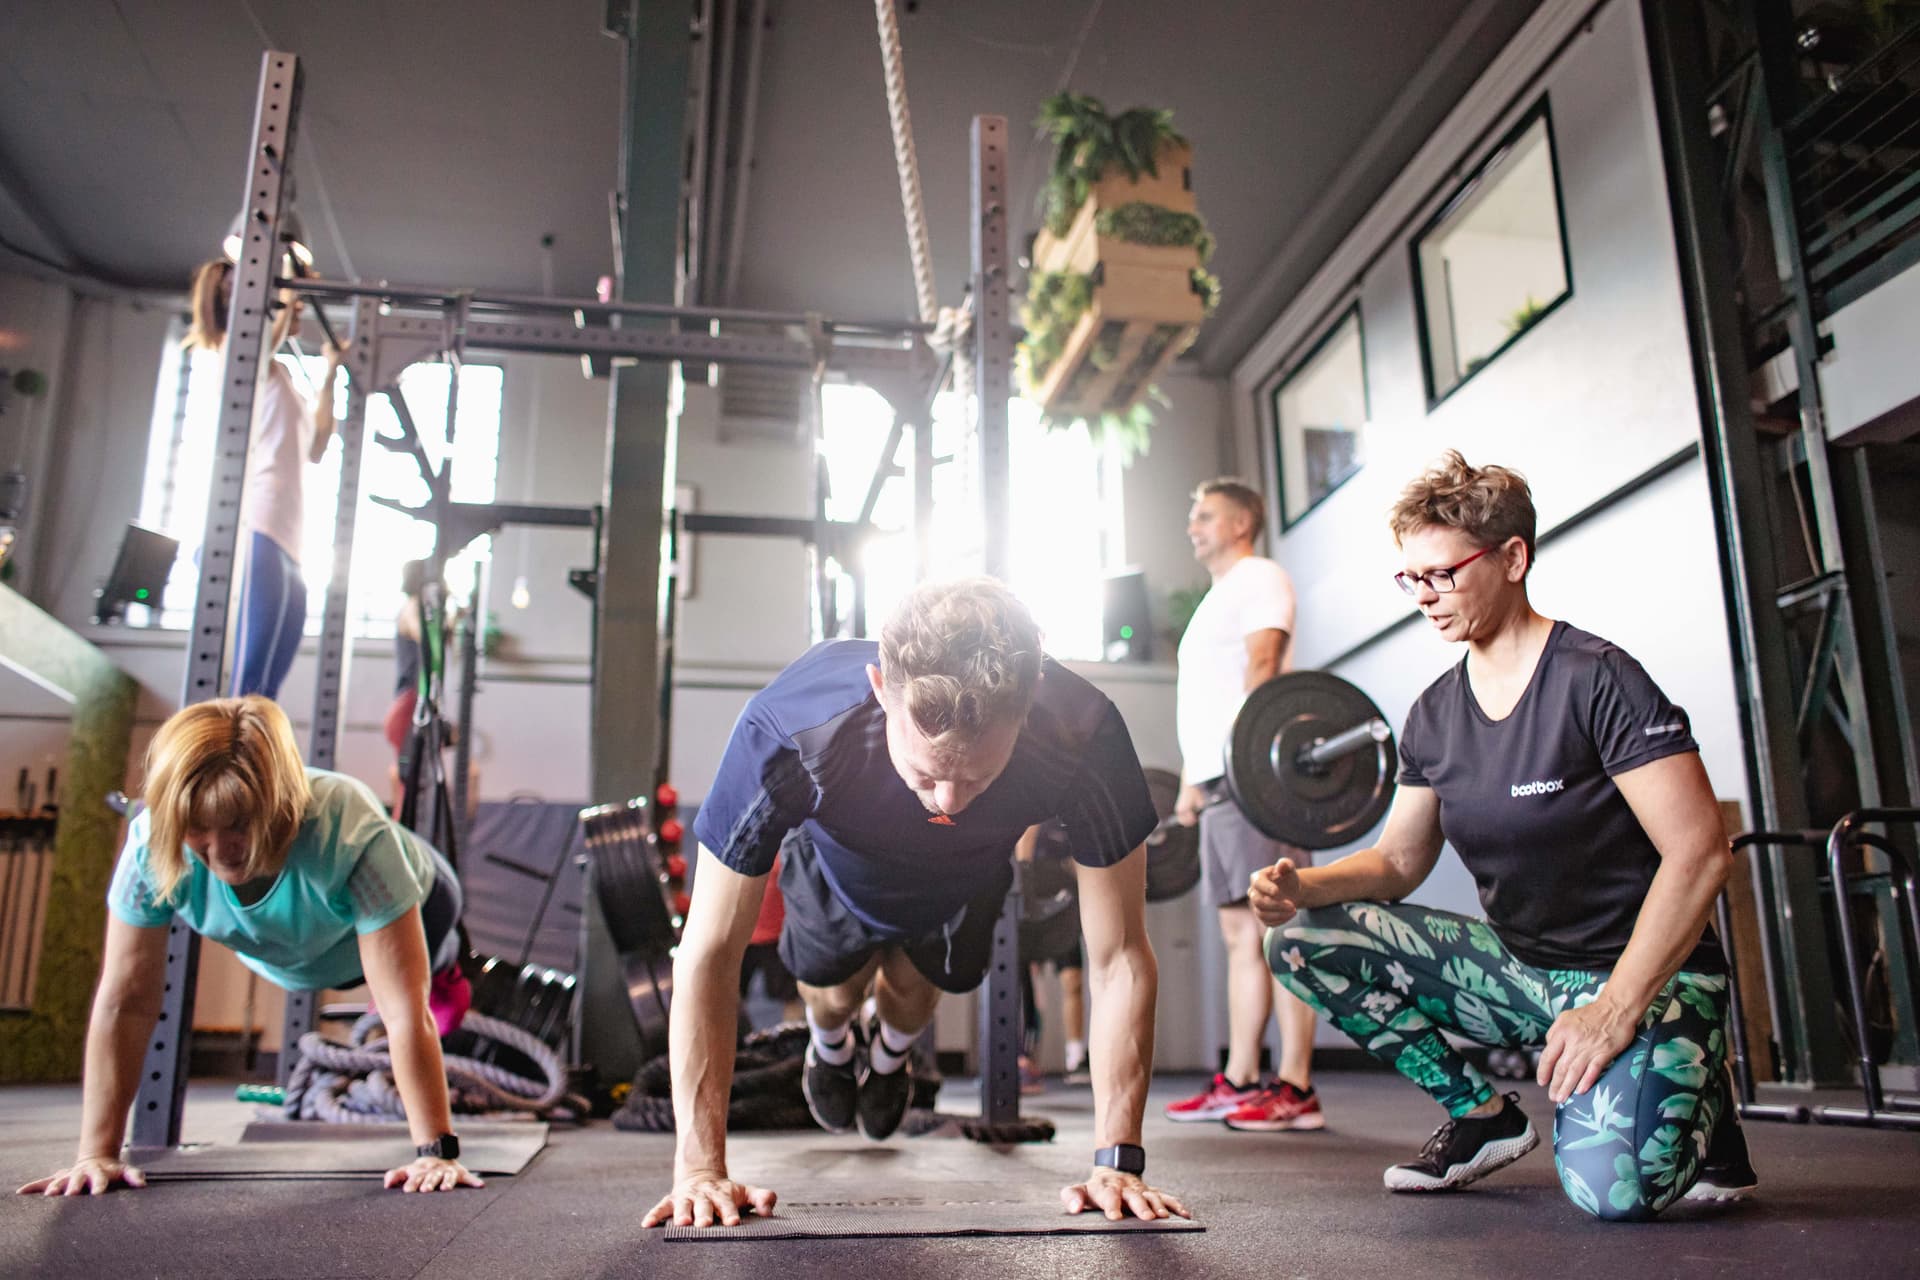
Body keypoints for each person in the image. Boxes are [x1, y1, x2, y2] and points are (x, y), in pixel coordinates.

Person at [1248, 451, 1756, 1221]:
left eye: (1442, 574)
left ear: (1513, 557)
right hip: (1526, 975)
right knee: (1299, 942)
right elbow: (1398, 862)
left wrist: (1615, 1008)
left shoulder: (1597, 678)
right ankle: (1483, 1118)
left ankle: (1701, 1098)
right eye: (1409, 578)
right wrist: (1299, 889)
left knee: (1612, 1194)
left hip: (1648, 977)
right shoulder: (1432, 714)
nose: (1423, 597)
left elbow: (1701, 852)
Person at [640, 578, 1190, 1229]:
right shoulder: (791, 728)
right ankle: (832, 1046)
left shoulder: (1084, 736)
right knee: (835, 993)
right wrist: (700, 1170)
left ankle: (891, 1054)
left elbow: (1120, 955)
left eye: (978, 777)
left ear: (1029, 700)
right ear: (880, 688)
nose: (949, 802)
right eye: (927, 774)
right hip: (838, 879)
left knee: (913, 992)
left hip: (962, 886)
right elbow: (708, 951)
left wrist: (1118, 1161)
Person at [18, 696, 478, 1197]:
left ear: (277, 804)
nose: (220, 849)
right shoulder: (152, 847)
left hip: (423, 906)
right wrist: (96, 1155)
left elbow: (404, 1012)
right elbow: (125, 1001)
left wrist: (436, 1153)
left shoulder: (347, 828)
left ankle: (451, 973)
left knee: (430, 970)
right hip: (297, 953)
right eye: (198, 828)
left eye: (238, 823)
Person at [1165, 478, 1323, 1132]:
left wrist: (1252, 766)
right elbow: (1205, 701)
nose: (1192, 526)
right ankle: (1241, 1078)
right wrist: (1189, 781)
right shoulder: (1215, 598)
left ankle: (1296, 1088)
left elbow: (1265, 667)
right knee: (1239, 935)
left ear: (1238, 522)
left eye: (1204, 515)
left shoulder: (1259, 576)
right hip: (1220, 779)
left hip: (1255, 775)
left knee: (1278, 928)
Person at [185, 258, 342, 702]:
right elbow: (260, 339)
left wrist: (331, 371)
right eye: (284, 303)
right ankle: (229, 771)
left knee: (266, 690)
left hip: (288, 542)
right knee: (249, 686)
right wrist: (289, 282)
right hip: (255, 530)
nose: (298, 311)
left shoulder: (281, 376)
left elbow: (318, 445)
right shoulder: (234, 357)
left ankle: (254, 769)